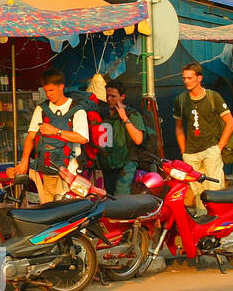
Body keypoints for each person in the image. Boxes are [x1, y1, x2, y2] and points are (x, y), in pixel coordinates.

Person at [14, 69, 90, 204]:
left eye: (51, 91)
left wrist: (56, 131)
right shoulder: (41, 109)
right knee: (49, 207)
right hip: (48, 169)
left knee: (65, 209)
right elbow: (31, 136)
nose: (48, 95)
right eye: (46, 91)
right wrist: (24, 161)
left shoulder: (77, 110)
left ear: (61, 87)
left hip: (70, 172)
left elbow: (82, 138)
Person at [173, 62, 233, 208]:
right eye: (184, 78)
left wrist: (219, 147)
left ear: (199, 78)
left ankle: (218, 224)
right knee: (197, 192)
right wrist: (184, 152)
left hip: (210, 150)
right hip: (191, 154)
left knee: (215, 191)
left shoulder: (213, 97)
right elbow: (179, 127)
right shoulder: (181, 100)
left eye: (189, 78)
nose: (186, 81)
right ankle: (204, 225)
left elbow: (230, 123)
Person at [99, 80, 148, 195]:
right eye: (107, 95)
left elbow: (138, 139)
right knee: (108, 195)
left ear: (123, 97)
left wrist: (124, 118)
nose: (109, 99)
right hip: (108, 164)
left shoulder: (132, 114)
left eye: (113, 96)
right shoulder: (103, 114)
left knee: (121, 196)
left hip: (126, 163)